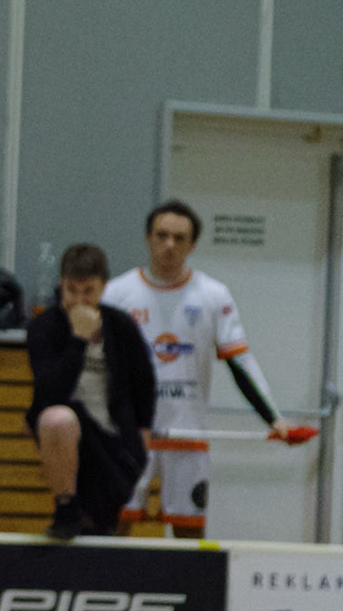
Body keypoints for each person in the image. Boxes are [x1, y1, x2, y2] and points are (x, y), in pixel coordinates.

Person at [102, 198, 289, 537]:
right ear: (148, 238)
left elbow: (239, 362)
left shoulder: (213, 295)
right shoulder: (116, 294)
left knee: (188, 535)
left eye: (179, 238)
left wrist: (273, 418)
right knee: (114, 527)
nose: (169, 245)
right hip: (129, 433)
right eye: (162, 235)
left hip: (187, 433)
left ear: (192, 245)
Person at [26, 245, 155, 540]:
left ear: (103, 288)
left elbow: (143, 383)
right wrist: (78, 339)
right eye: (71, 291)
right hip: (69, 435)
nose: (79, 300)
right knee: (57, 418)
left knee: (100, 525)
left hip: (116, 440)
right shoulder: (43, 328)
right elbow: (50, 393)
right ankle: (66, 508)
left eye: (88, 292)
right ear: (61, 285)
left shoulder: (121, 325)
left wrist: (143, 437)